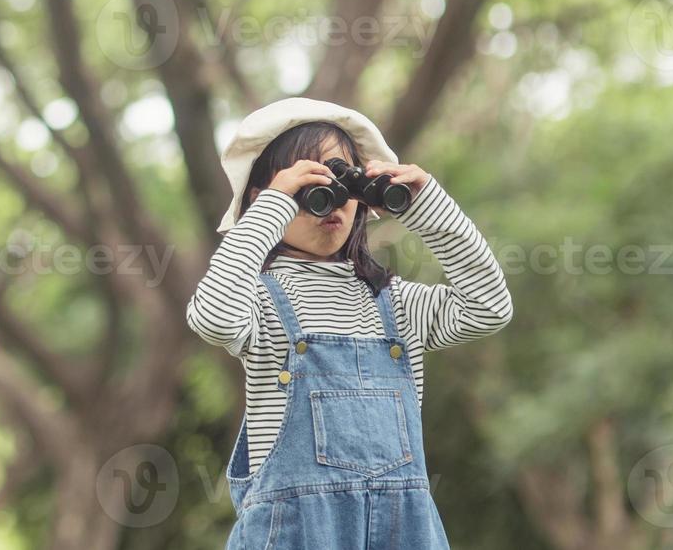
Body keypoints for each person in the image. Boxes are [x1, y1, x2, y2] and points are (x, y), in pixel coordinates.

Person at [186, 96, 513, 549]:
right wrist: (272, 206)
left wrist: (429, 207)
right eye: (312, 190)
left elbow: (490, 306)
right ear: (266, 202)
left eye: (344, 186)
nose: (331, 207)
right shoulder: (258, 302)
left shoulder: (395, 302)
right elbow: (211, 316)